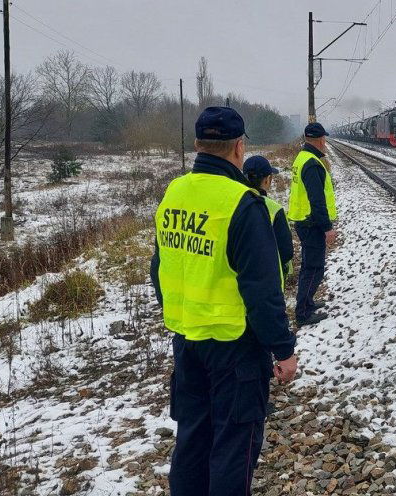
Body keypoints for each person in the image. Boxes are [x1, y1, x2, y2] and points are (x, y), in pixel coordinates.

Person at [150, 107, 298, 495]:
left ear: (198, 144)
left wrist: (182, 313)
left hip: (187, 341)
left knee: (192, 441)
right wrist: (283, 349)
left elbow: (159, 266)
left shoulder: (175, 193)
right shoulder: (244, 204)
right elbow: (263, 291)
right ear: (239, 147)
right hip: (235, 348)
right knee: (234, 447)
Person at [286, 122, 337, 327]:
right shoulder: (313, 164)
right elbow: (317, 200)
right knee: (314, 268)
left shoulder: (302, 158)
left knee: (309, 265)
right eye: (324, 139)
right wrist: (327, 228)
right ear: (321, 140)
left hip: (303, 220)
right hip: (311, 222)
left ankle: (307, 302)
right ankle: (303, 313)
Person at [244, 155, 294, 279]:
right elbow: (286, 252)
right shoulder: (275, 209)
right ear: (267, 180)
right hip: (270, 278)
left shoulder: (234, 202)